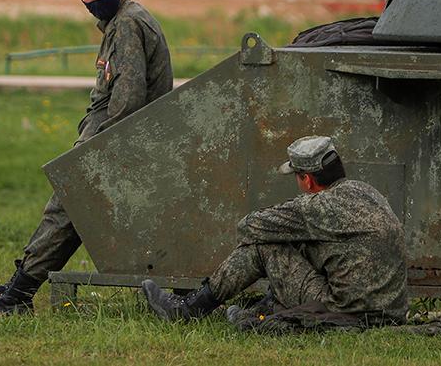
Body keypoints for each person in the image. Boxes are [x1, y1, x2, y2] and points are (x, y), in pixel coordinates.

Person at [0, 0, 173, 315]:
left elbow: (127, 101)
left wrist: (94, 154)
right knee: (64, 212)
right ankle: (19, 288)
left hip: (119, 143)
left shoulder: (128, 24)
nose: (93, 0)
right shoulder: (120, 21)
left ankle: (17, 295)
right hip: (116, 141)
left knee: (63, 210)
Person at [142, 136, 407, 328]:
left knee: (264, 246)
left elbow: (248, 227)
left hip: (347, 312)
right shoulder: (366, 191)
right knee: (307, 245)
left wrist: (286, 224)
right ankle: (262, 308)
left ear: (307, 179)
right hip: (390, 311)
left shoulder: (316, 206)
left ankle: (188, 310)